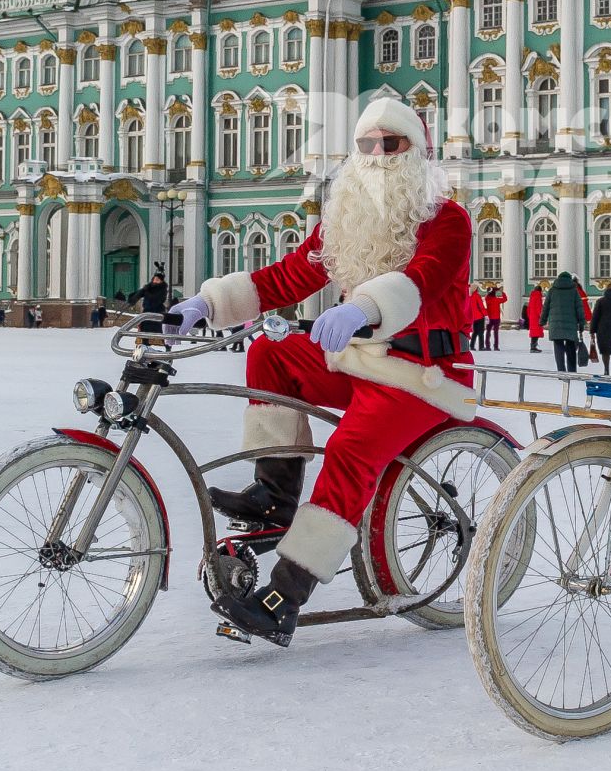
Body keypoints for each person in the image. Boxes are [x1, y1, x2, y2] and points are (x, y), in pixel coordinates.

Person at [173, 97, 475, 646]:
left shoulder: (447, 220)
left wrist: (364, 307)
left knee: (350, 453)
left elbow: (425, 278)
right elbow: (287, 277)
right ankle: (275, 495)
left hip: (424, 373)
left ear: (418, 151)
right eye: (366, 145)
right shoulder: (346, 222)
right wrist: (207, 304)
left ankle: (286, 593)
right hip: (361, 362)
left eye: (392, 143)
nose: (378, 155)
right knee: (270, 353)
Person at [543, 270, 591, 374]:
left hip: (555, 324)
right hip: (571, 324)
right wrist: (582, 323)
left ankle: (561, 370)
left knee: (558, 346)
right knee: (571, 347)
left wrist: (542, 320)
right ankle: (572, 371)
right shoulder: (574, 291)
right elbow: (579, 308)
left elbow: (545, 307)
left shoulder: (552, 291)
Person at [483, 285, 506, 351]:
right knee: (496, 333)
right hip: (496, 318)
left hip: (490, 318)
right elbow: (505, 299)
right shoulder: (497, 300)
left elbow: (487, 295)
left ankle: (487, 346)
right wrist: (502, 292)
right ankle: (496, 347)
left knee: (488, 332)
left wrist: (491, 291)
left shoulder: (487, 299)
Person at [523, 283, 545, 352]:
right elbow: (539, 308)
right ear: (540, 291)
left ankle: (533, 346)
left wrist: (530, 316)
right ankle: (533, 347)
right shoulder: (538, 297)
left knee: (534, 333)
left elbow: (528, 309)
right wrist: (542, 316)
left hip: (532, 317)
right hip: (536, 318)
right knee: (536, 333)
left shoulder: (532, 297)